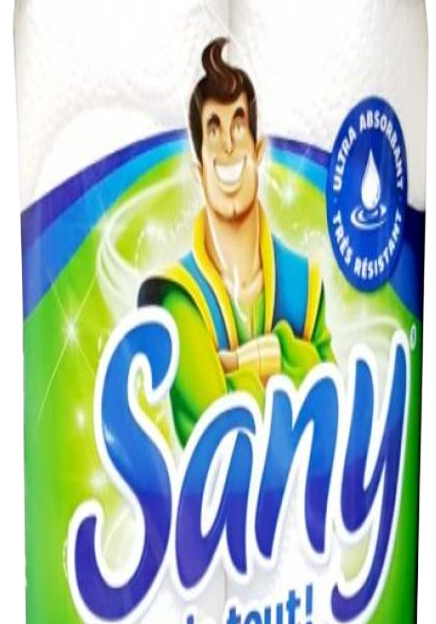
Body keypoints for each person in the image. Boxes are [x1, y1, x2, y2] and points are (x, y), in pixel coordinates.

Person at [138, 38, 335, 447]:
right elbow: (220, 427)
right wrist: (296, 363)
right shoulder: (177, 299)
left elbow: (332, 404)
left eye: (238, 126)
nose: (228, 145)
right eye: (213, 130)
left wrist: (260, 358)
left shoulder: (305, 285)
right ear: (199, 169)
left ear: (258, 151)